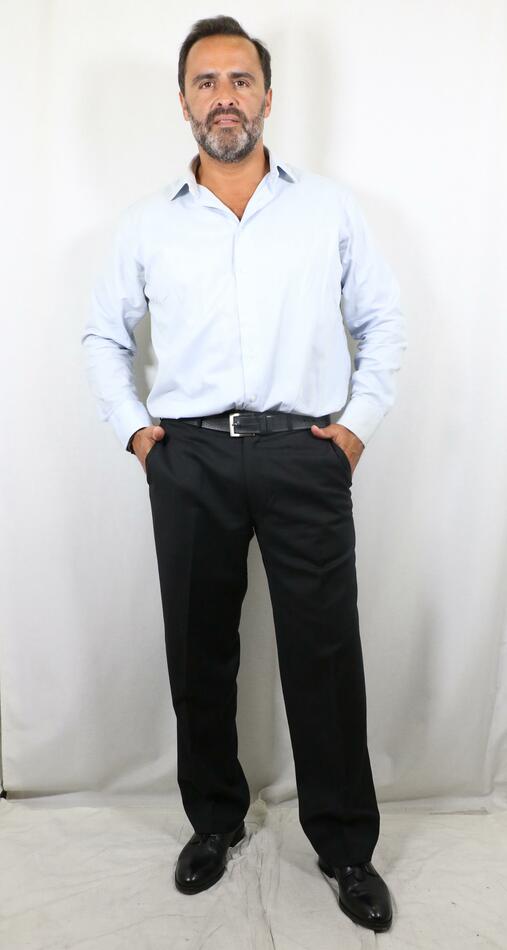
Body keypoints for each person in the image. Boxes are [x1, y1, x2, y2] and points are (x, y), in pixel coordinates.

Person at [81, 14, 407, 934]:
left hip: (305, 453)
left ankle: (344, 847)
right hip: (188, 459)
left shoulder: (328, 210)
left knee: (324, 655)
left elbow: (381, 322)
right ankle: (215, 822)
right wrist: (142, 438)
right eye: (205, 81)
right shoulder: (148, 225)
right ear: (184, 101)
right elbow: (103, 336)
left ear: (267, 96)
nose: (223, 97)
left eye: (239, 80)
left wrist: (351, 434)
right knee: (198, 651)